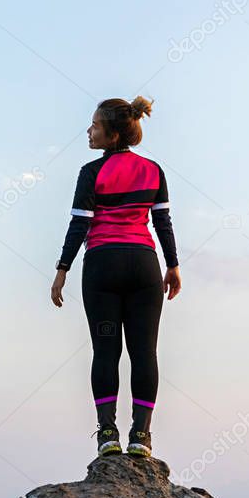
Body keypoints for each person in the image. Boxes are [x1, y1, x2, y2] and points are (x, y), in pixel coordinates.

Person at [50, 96, 181, 458]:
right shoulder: (153, 169)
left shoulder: (92, 172)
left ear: (111, 135)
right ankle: (141, 436)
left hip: (103, 268)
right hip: (143, 267)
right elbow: (162, 223)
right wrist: (172, 265)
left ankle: (107, 433)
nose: (89, 131)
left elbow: (80, 224)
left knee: (105, 351)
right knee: (144, 353)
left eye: (94, 125)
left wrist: (62, 269)